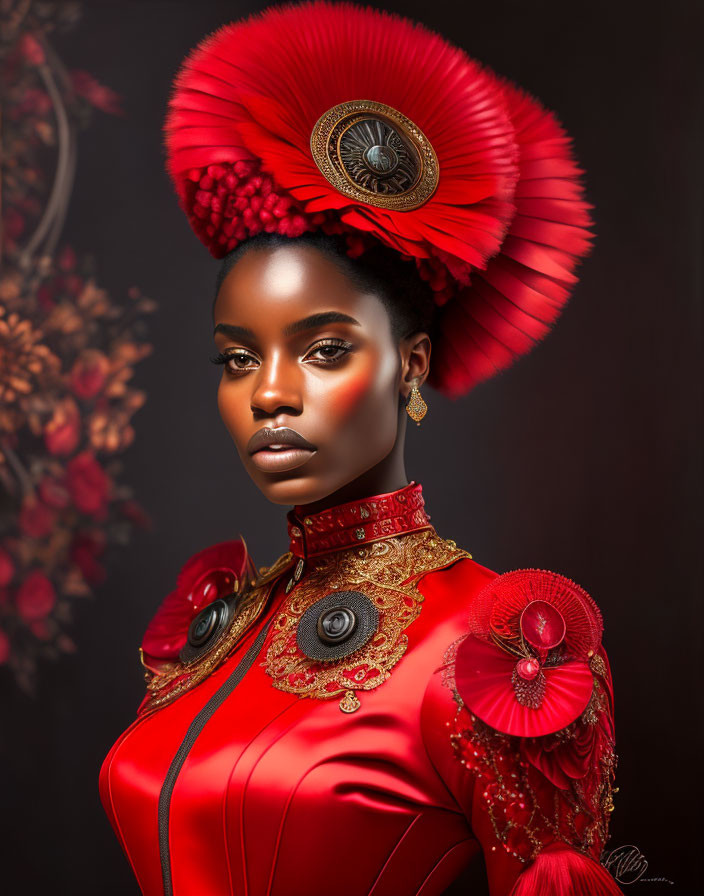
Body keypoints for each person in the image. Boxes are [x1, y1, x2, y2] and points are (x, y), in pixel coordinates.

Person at [99, 3, 622, 894]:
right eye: (238, 358)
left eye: (323, 349)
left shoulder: (493, 647)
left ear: (408, 363)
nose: (270, 392)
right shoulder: (220, 628)